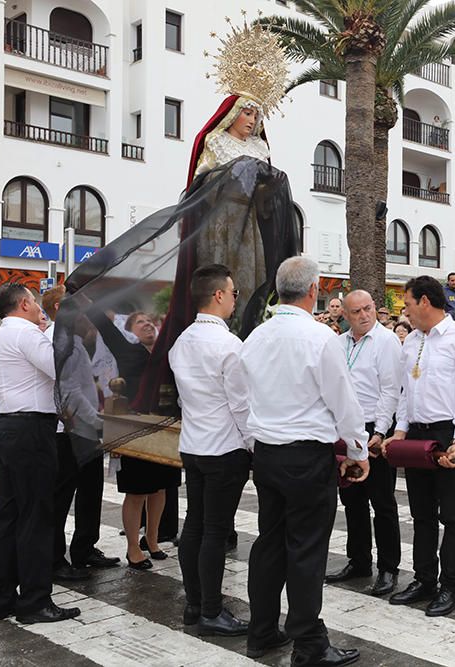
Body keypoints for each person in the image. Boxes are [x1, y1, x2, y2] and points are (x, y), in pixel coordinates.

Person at [241, 256, 370, 665]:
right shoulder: (319, 339)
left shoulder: (255, 338)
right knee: (305, 549)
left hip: (268, 453)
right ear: (314, 290)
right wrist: (357, 449)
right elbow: (343, 402)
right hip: (305, 455)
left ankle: (262, 629)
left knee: (270, 542)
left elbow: (244, 398)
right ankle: (309, 643)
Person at [385, 275, 455, 618]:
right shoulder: (411, 341)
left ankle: (450, 586)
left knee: (451, 514)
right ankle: (424, 579)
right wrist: (399, 432)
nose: (405, 310)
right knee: (421, 512)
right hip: (415, 435)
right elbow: (403, 393)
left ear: (425, 301)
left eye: (408, 303)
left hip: (446, 435)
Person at [0, 283, 80, 624]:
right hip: (30, 431)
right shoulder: (27, 334)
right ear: (24, 303)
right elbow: (62, 371)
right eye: (36, 302)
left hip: (6, 426)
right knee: (36, 516)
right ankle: (35, 601)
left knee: (9, 515)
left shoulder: (2, 335)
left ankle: (1, 598)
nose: (41, 308)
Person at [168, 265, 252, 637]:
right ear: (218, 295)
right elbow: (241, 405)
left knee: (195, 526)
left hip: (194, 445)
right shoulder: (229, 345)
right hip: (224, 447)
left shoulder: (181, 341)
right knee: (215, 530)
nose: (236, 299)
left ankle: (194, 603)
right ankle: (211, 610)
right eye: (233, 293)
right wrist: (255, 445)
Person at [87, 307, 180, 569]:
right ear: (129, 332)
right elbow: (103, 324)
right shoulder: (128, 351)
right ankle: (132, 547)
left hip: (165, 428)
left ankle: (152, 540)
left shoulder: (167, 353)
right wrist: (91, 299)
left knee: (161, 488)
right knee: (138, 492)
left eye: (150, 320)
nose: (148, 324)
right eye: (140, 322)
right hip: (136, 428)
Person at [325, 290, 403, 598]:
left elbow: (391, 391)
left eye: (368, 308)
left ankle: (388, 568)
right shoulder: (338, 344)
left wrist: (381, 431)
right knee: (352, 499)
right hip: (346, 427)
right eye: (356, 311)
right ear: (344, 314)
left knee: (382, 501)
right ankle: (358, 561)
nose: (363, 315)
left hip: (374, 426)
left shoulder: (386, 342)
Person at [42, 286, 118, 583]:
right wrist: (97, 421)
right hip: (68, 431)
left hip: (83, 428)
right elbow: (70, 393)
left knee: (91, 490)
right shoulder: (60, 343)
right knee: (62, 496)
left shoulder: (72, 341)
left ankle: (85, 547)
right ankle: (55, 558)